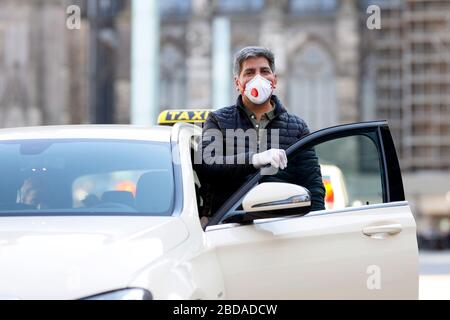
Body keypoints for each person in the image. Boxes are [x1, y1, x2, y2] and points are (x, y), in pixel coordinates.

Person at [196, 46, 325, 217]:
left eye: (264, 71)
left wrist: (314, 225)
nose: (258, 78)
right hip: (228, 226)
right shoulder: (218, 120)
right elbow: (206, 164)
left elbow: (313, 185)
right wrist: (254, 159)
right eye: (249, 72)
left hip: (282, 227)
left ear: (274, 80)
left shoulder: (297, 127)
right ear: (237, 83)